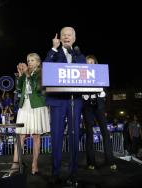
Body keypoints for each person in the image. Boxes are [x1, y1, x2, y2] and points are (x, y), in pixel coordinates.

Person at [44, 26, 86, 184]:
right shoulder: (54, 53)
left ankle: (73, 172)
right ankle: (55, 172)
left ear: (74, 38)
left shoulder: (79, 55)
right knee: (56, 136)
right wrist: (53, 48)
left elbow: (88, 73)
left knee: (74, 136)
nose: (67, 37)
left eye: (69, 35)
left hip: (75, 101)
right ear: (60, 38)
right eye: (64, 35)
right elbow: (46, 67)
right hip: (57, 101)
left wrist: (75, 53)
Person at [4, 53, 50, 177]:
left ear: (38, 62)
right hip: (24, 106)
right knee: (20, 136)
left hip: (37, 106)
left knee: (36, 136)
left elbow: (38, 88)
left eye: (32, 60)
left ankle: (34, 164)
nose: (29, 62)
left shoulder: (41, 73)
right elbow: (19, 88)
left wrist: (26, 73)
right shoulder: (26, 74)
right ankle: (15, 164)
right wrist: (20, 75)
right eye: (28, 60)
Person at [82, 55, 117, 171]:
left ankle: (110, 160)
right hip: (87, 107)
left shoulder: (100, 73)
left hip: (99, 106)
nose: (90, 64)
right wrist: (83, 95)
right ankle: (91, 162)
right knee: (89, 134)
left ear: (95, 63)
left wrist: (104, 93)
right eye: (87, 62)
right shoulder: (81, 74)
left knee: (105, 133)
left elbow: (105, 88)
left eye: (92, 62)